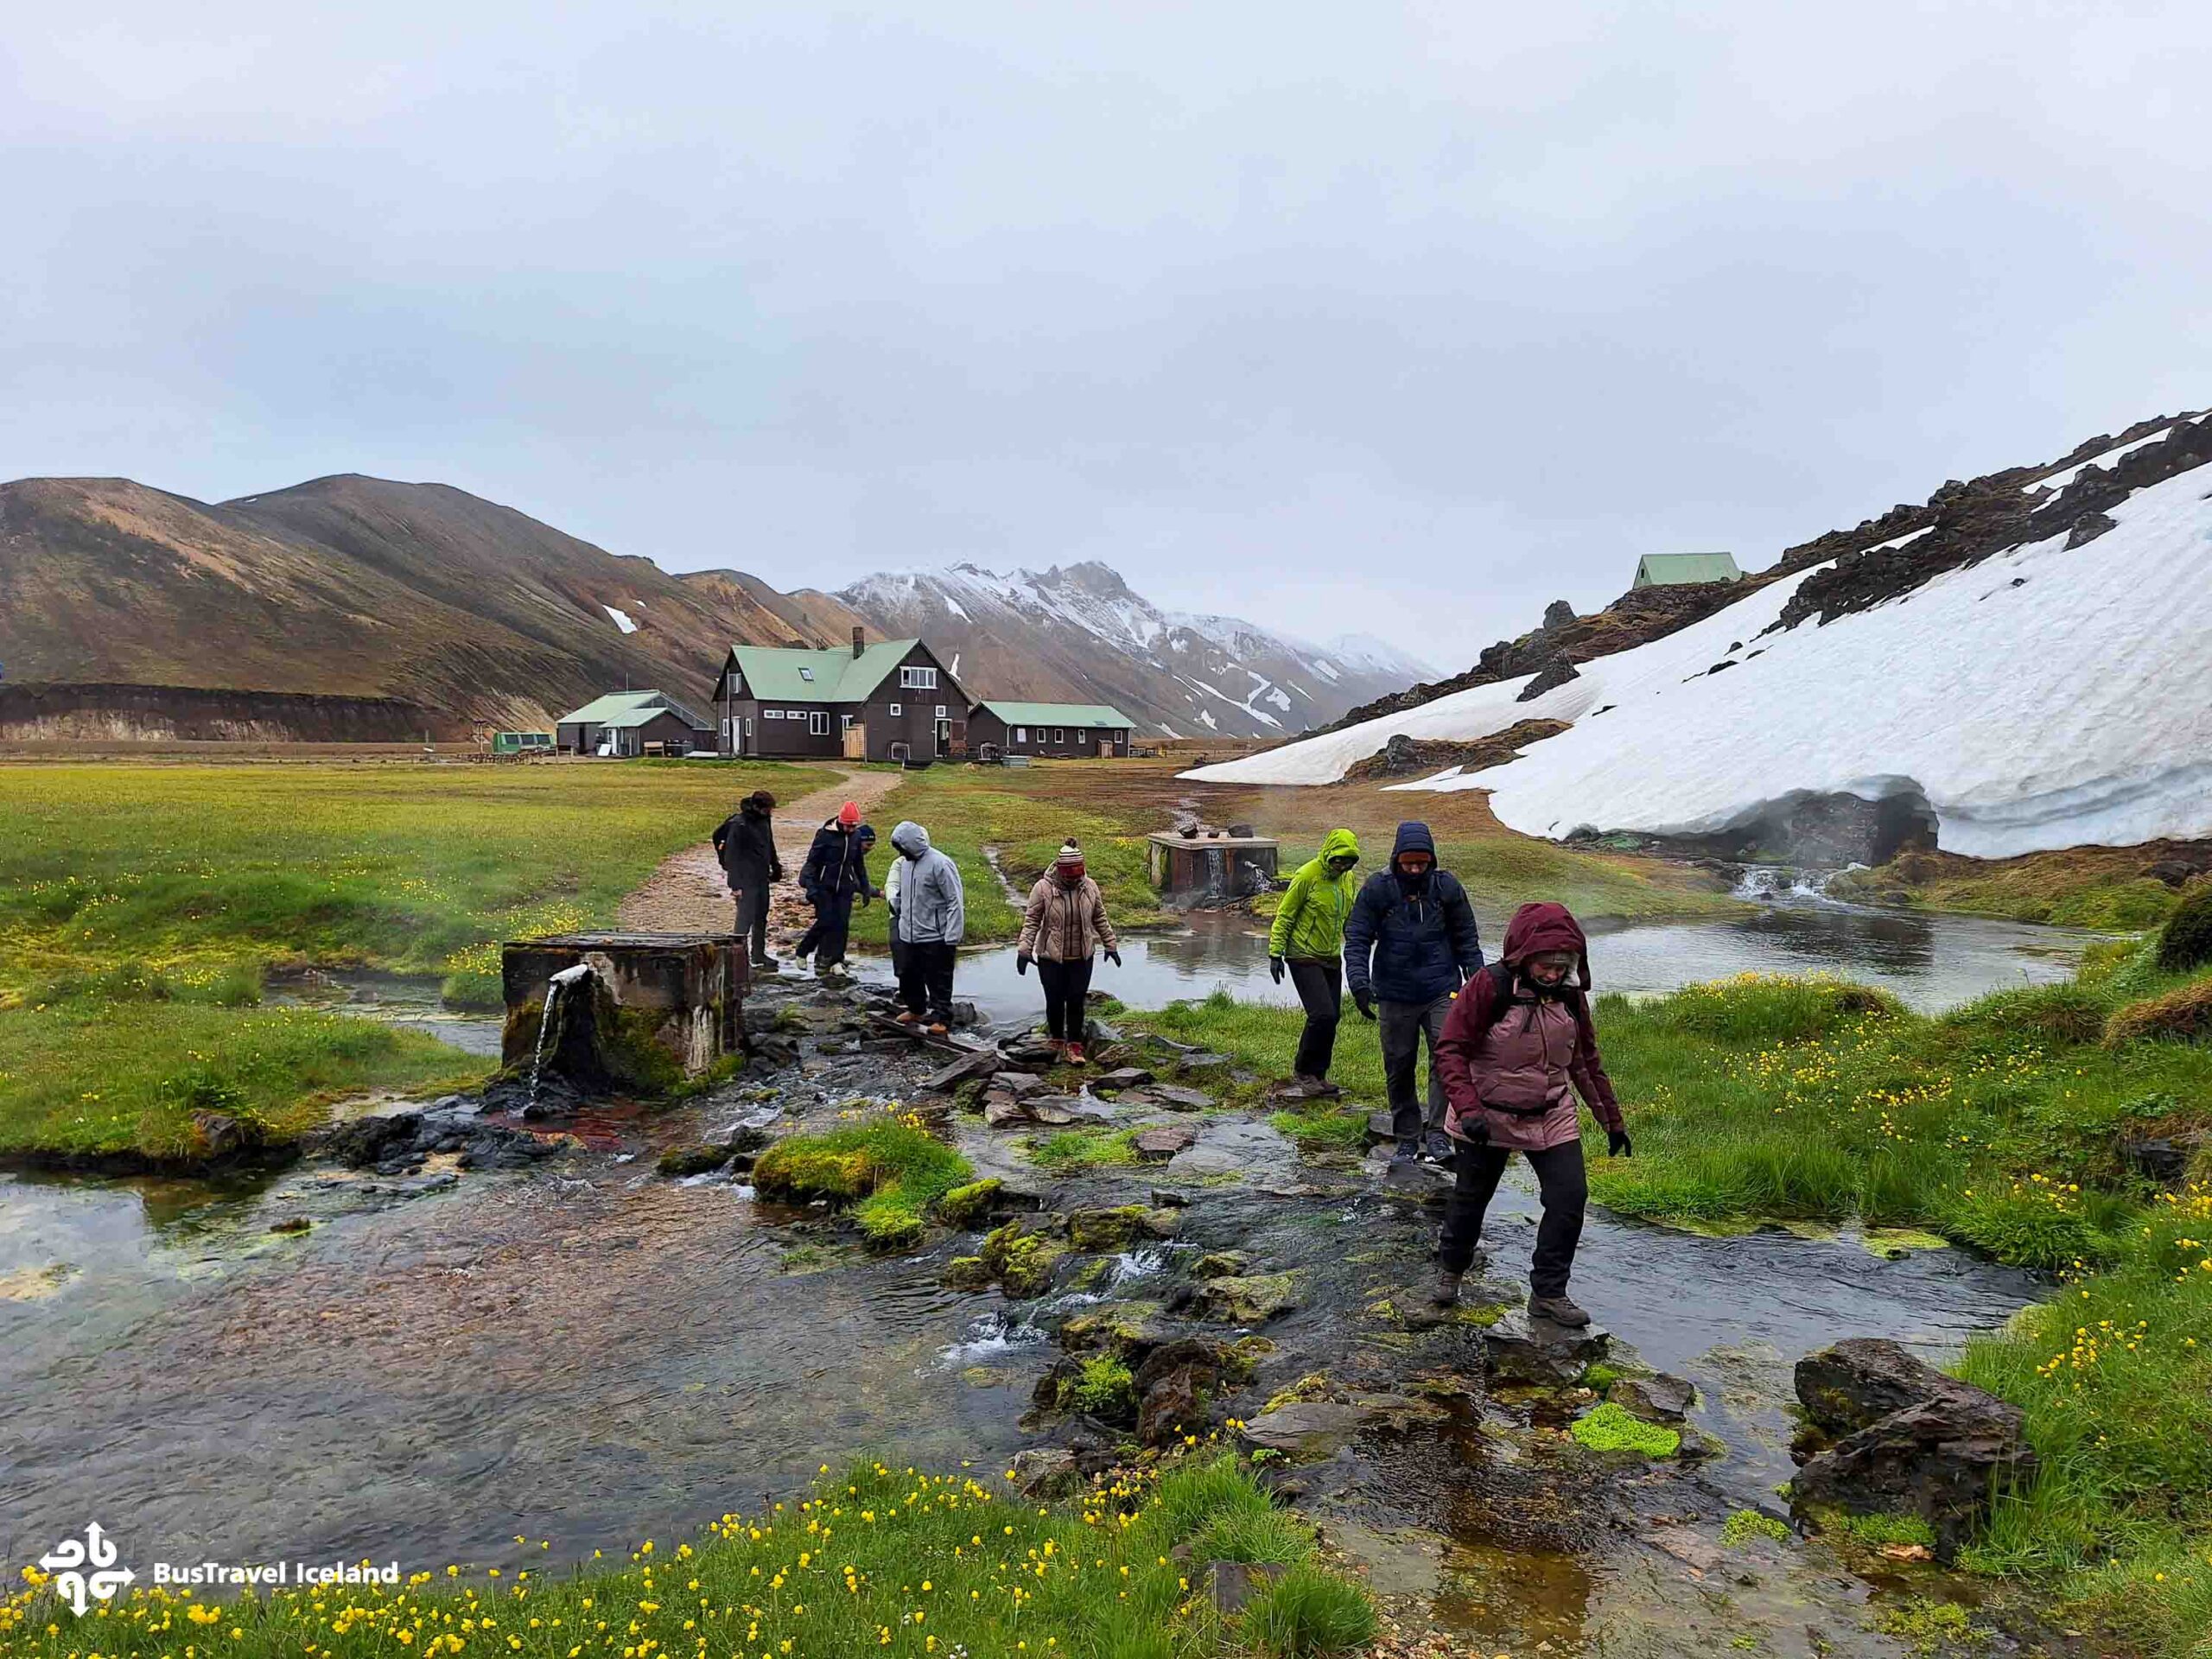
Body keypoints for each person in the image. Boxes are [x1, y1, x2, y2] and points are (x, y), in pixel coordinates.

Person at [1431, 901, 1631, 1327]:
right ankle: (1450, 1272)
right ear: (1524, 956)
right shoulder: (1490, 986)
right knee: (1471, 1199)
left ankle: (1548, 1294)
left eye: (1563, 965)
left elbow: (1585, 1062)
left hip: (1552, 1111)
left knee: (1569, 1198)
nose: (1554, 974)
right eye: (1546, 965)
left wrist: (1611, 1121)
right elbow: (1450, 1049)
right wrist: (1468, 1110)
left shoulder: (1571, 997)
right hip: (1485, 1114)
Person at [1344, 821, 1484, 1166]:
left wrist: (1480, 983)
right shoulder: (1378, 889)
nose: (1415, 869)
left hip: (1442, 989)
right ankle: (1407, 1136)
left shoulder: (1447, 888)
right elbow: (1358, 938)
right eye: (1409, 863)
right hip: (1394, 992)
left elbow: (1467, 937)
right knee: (1399, 1063)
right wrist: (1359, 983)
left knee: (1446, 1059)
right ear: (1397, 860)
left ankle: (1438, 1134)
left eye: (1422, 863)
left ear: (1431, 860)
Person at [1267, 828, 1361, 1093]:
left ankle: (1319, 1075)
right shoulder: (1307, 875)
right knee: (1321, 1014)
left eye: (1349, 860)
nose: (1342, 865)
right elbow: (1285, 915)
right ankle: (1303, 1071)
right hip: (1302, 954)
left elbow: (1350, 916)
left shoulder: (1348, 879)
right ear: (1328, 853)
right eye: (1338, 859)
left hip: (1331, 954)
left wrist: (1361, 941)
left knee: (1334, 1017)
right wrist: (1276, 953)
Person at [1016, 840, 1122, 1064]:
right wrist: (1024, 950)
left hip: (1082, 957)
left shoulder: (1090, 886)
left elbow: (1100, 917)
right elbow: (1032, 921)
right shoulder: (1043, 889)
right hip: (1051, 958)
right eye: (1070, 877)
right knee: (1054, 1000)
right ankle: (1056, 1040)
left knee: (1075, 1000)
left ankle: (1075, 1046)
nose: (1075, 880)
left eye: (1078, 876)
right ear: (1061, 872)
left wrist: (1110, 944)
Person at [888, 820, 964, 1034]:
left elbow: (954, 901)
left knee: (938, 978)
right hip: (908, 933)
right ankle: (916, 1009)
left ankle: (942, 1017)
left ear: (912, 844)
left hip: (936, 935)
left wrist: (952, 935)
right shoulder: (905, 864)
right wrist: (897, 905)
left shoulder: (941, 864)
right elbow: (904, 894)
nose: (901, 852)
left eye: (902, 848)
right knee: (908, 974)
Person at [794, 803, 875, 974]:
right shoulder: (825, 835)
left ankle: (837, 961)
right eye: (848, 826)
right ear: (841, 821)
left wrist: (866, 888)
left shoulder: (856, 836)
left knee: (842, 925)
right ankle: (802, 952)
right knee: (826, 921)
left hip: (845, 887)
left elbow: (859, 865)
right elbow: (812, 863)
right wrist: (811, 888)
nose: (851, 829)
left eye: (854, 826)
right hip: (825, 886)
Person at [712, 790, 783, 970]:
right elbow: (731, 856)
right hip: (745, 880)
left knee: (761, 917)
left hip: (762, 877)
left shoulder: (764, 819)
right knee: (744, 920)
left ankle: (758, 954)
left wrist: (776, 866)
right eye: (768, 810)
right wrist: (735, 885)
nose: (770, 813)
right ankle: (737, 959)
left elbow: (769, 843)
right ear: (757, 807)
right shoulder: (739, 825)